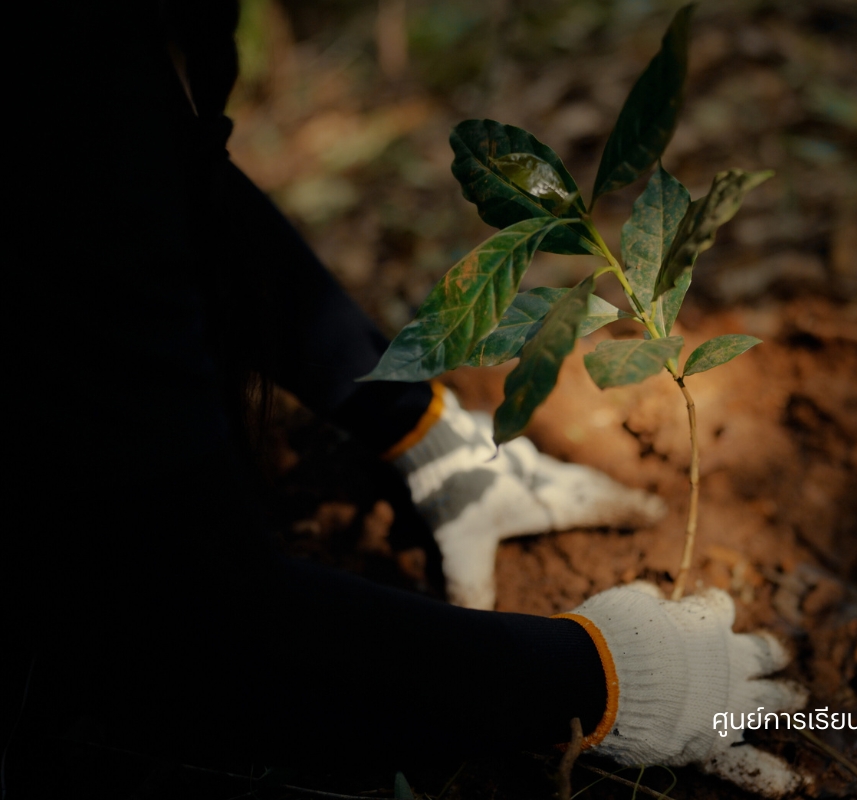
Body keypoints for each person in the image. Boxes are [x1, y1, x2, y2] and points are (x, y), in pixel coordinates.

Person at [5, 2, 806, 797]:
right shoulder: (52, 49)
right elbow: (180, 615)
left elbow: (154, 172)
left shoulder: (78, 60)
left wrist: (421, 432)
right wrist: (592, 682)